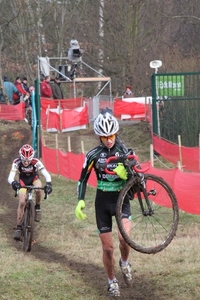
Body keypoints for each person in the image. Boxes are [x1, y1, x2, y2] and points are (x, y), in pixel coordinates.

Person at [75, 109, 134, 297]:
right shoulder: (93, 155)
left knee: (124, 239)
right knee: (108, 248)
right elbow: (82, 179)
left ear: (116, 133)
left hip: (121, 200)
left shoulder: (124, 150)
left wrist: (127, 174)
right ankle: (112, 281)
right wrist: (80, 201)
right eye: (105, 136)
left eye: (112, 135)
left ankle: (124, 262)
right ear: (99, 136)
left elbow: (138, 176)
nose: (109, 140)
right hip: (102, 203)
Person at [8, 144, 52, 241]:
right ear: (21, 157)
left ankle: (37, 207)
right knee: (22, 201)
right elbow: (10, 177)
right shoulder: (17, 162)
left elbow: (46, 175)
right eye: (24, 160)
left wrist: (49, 184)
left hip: (34, 179)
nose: (26, 162)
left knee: (39, 189)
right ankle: (19, 227)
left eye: (28, 160)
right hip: (22, 181)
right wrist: (14, 183)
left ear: (32, 158)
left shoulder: (36, 162)